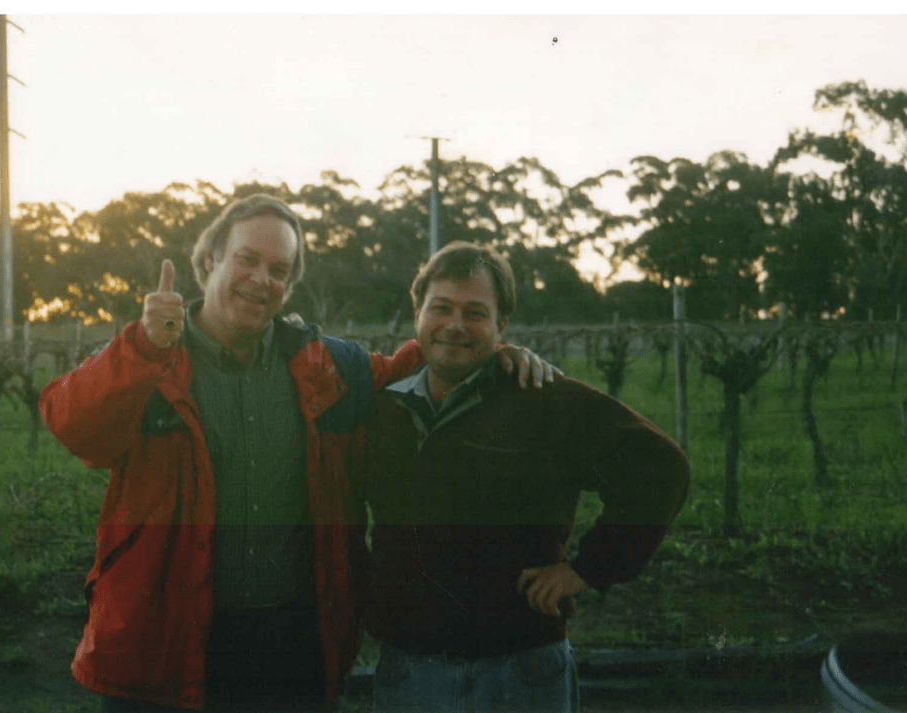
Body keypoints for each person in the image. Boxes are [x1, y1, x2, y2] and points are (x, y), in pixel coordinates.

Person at [39, 194, 556, 712]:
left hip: (291, 646)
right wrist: (145, 347)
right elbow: (73, 427)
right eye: (247, 259)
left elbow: (416, 364)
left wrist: (487, 348)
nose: (261, 279)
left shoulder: (327, 367)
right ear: (208, 261)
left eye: (279, 269)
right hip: (162, 641)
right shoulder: (148, 359)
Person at [356, 241, 690, 713]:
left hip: (520, 672)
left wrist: (587, 569)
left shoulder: (543, 399)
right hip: (411, 672)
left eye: (475, 313)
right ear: (418, 312)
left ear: (502, 326)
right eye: (442, 308)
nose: (454, 325)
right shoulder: (383, 409)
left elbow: (660, 467)